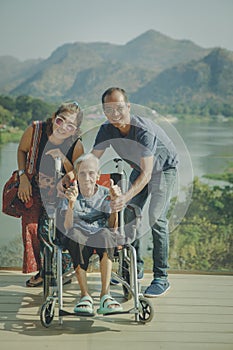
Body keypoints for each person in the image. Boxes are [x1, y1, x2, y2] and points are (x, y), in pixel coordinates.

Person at [92, 87, 178, 297]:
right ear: (104, 111)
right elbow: (93, 157)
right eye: (109, 109)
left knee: (156, 218)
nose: (115, 114)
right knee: (130, 214)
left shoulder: (142, 130)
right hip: (140, 170)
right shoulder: (106, 129)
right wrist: (84, 173)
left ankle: (161, 277)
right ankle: (134, 269)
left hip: (163, 170)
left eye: (119, 108)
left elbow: (148, 174)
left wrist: (124, 196)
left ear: (128, 106)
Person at [17, 101, 84, 287]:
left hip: (59, 193)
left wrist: (62, 158)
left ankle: (53, 270)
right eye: (60, 120)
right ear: (54, 117)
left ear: (75, 129)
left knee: (45, 230)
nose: (63, 127)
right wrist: (23, 178)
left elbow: (76, 173)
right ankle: (47, 269)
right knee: (31, 229)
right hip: (33, 187)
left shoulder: (76, 143)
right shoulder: (36, 129)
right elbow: (22, 150)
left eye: (70, 125)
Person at [61, 153, 123, 315]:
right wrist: (71, 204)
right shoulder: (70, 194)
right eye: (82, 173)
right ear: (76, 176)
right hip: (78, 236)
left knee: (107, 235)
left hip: (100, 235)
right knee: (75, 235)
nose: (87, 177)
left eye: (91, 173)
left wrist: (114, 206)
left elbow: (113, 228)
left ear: (97, 176)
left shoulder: (105, 194)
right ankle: (85, 296)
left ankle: (105, 295)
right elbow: (67, 227)